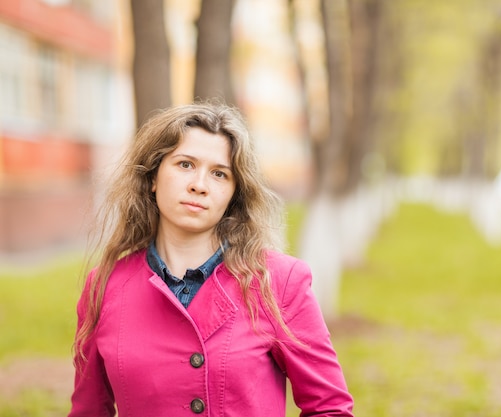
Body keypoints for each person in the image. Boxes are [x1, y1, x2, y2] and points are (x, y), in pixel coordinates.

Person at [68, 100, 354, 417]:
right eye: (185, 164)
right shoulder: (105, 286)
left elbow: (330, 408)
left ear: (234, 194)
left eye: (219, 174)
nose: (199, 185)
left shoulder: (279, 281)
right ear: (153, 176)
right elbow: (89, 410)